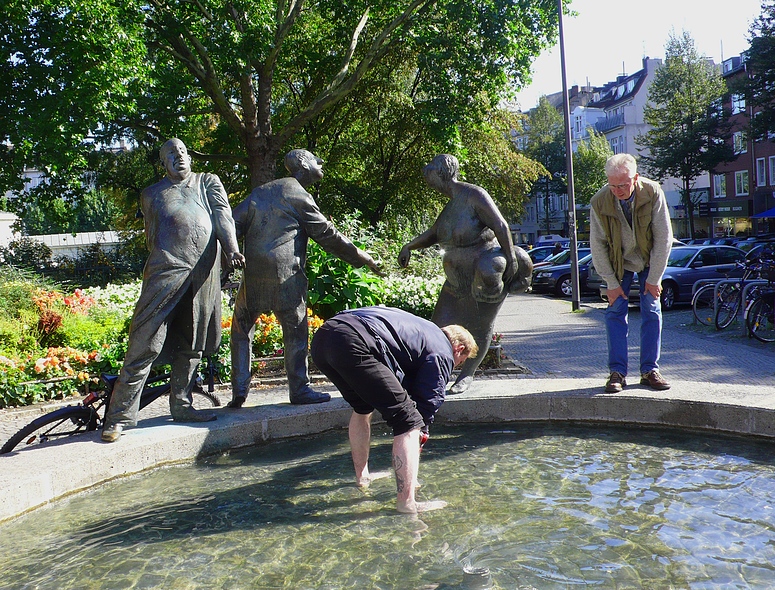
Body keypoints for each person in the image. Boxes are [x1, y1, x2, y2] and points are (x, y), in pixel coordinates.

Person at [101, 139, 245, 442]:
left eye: (182, 152)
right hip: (166, 269)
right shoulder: (152, 194)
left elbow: (223, 217)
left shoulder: (208, 183)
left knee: (193, 339)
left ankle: (182, 404)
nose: (178, 157)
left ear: (189, 157)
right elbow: (151, 236)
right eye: (171, 155)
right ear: (163, 163)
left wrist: (231, 249)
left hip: (203, 271)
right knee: (145, 340)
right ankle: (119, 417)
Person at [227, 149, 384, 407]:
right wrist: (363, 258)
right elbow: (327, 235)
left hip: (253, 274)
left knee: (241, 328)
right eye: (315, 159)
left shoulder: (261, 192)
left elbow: (232, 222)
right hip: (285, 274)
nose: (321, 162)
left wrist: (229, 257)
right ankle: (299, 389)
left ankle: (239, 390)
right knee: (296, 331)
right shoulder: (297, 194)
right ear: (302, 164)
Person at [309, 306, 477, 513]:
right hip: (355, 341)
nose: (455, 366)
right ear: (459, 349)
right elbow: (427, 404)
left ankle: (363, 477)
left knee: (362, 407)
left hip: (324, 338)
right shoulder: (443, 350)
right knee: (409, 421)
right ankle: (407, 503)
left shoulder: (423, 330)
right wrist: (418, 446)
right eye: (459, 363)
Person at [398, 154, 532, 394]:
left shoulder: (474, 195)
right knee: (438, 328)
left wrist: (511, 260)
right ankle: (436, 374)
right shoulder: (450, 206)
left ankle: (467, 374)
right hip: (456, 280)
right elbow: (433, 234)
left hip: (485, 274)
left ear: (442, 173)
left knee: (481, 325)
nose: (426, 177)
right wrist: (409, 246)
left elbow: (500, 225)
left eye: (429, 173)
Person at [589, 153, 673, 394]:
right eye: (612, 185)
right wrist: (611, 283)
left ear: (635, 178)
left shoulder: (653, 192)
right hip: (619, 262)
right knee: (615, 312)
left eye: (623, 185)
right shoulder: (599, 202)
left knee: (652, 310)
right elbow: (597, 245)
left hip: (648, 258)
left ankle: (649, 371)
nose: (617, 190)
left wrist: (654, 278)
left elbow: (663, 237)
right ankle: (617, 372)